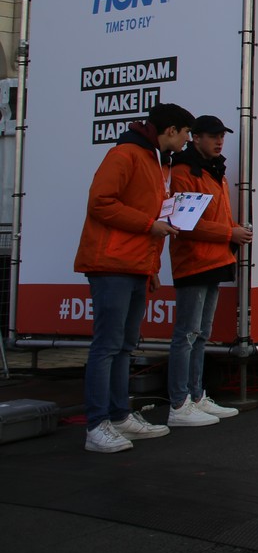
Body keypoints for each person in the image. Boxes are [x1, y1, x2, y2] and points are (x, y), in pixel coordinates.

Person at [74, 102, 193, 453]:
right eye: (186, 133)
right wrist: (148, 226)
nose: (187, 140)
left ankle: (118, 415)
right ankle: (97, 425)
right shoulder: (125, 154)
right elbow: (100, 202)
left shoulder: (154, 160)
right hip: (111, 264)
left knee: (124, 345)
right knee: (108, 346)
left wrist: (150, 268)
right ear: (171, 130)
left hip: (133, 266)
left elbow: (150, 215)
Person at [166, 115, 253, 427]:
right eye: (213, 136)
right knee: (187, 334)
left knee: (201, 334)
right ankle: (179, 403)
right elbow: (184, 224)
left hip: (214, 260)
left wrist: (234, 230)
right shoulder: (184, 171)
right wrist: (230, 233)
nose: (219, 141)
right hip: (193, 262)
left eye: (221, 136)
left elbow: (218, 215)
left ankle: (196, 395)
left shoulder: (214, 171)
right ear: (196, 137)